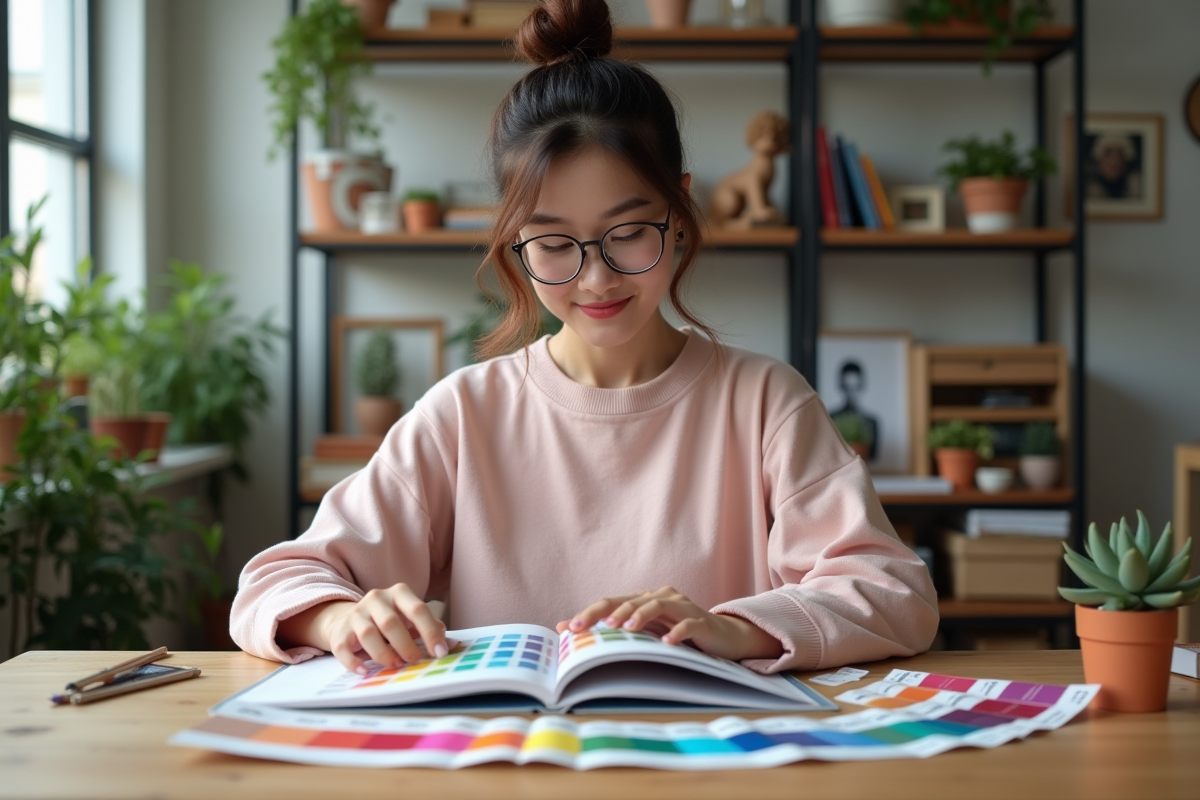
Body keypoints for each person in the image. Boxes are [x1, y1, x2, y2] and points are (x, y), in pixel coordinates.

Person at [231, 0, 937, 676]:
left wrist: (739, 626)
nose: (596, 277)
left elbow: (895, 591)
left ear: (681, 211)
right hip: (513, 760)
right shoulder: (464, 414)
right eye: (552, 243)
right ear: (514, 240)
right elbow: (276, 582)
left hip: (714, 759)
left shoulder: (763, 402)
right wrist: (338, 619)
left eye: (629, 233)